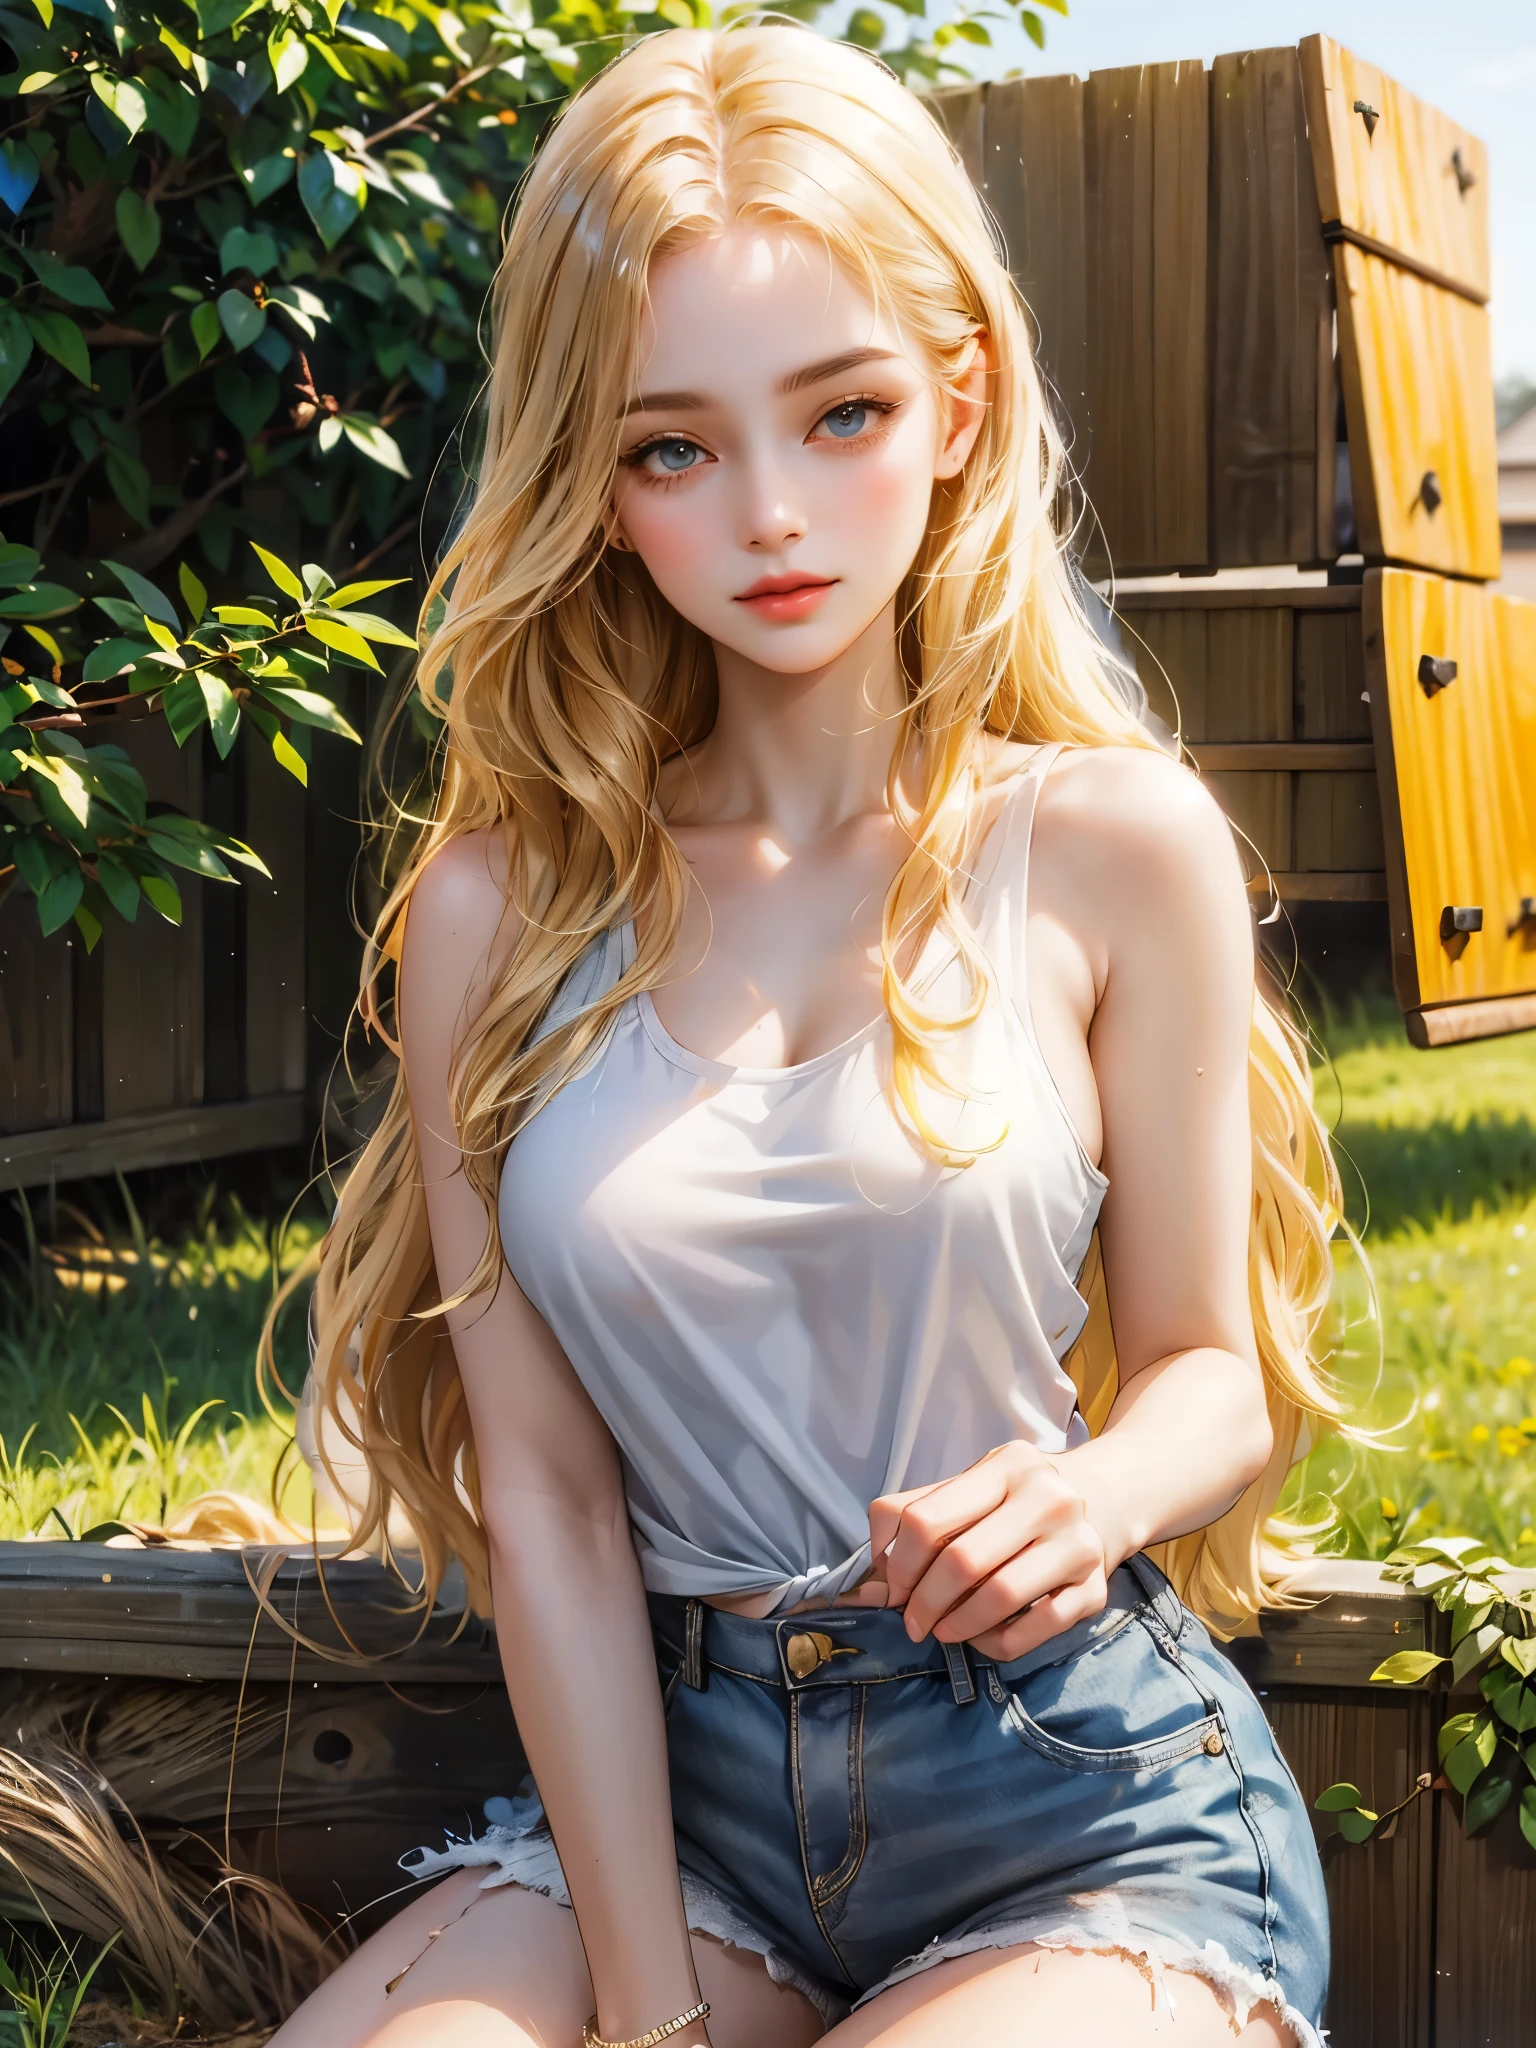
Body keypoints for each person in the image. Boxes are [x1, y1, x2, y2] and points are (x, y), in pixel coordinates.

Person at [268, 24, 1344, 2048]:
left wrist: (1097, 1493)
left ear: (961, 397)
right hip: (676, 1801)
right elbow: (557, 1506)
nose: (770, 513)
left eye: (839, 412)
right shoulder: (498, 911)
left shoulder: (1112, 847)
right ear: (595, 486)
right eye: (674, 446)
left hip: (1079, 1794)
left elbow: (1216, 1373)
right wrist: (651, 2010)